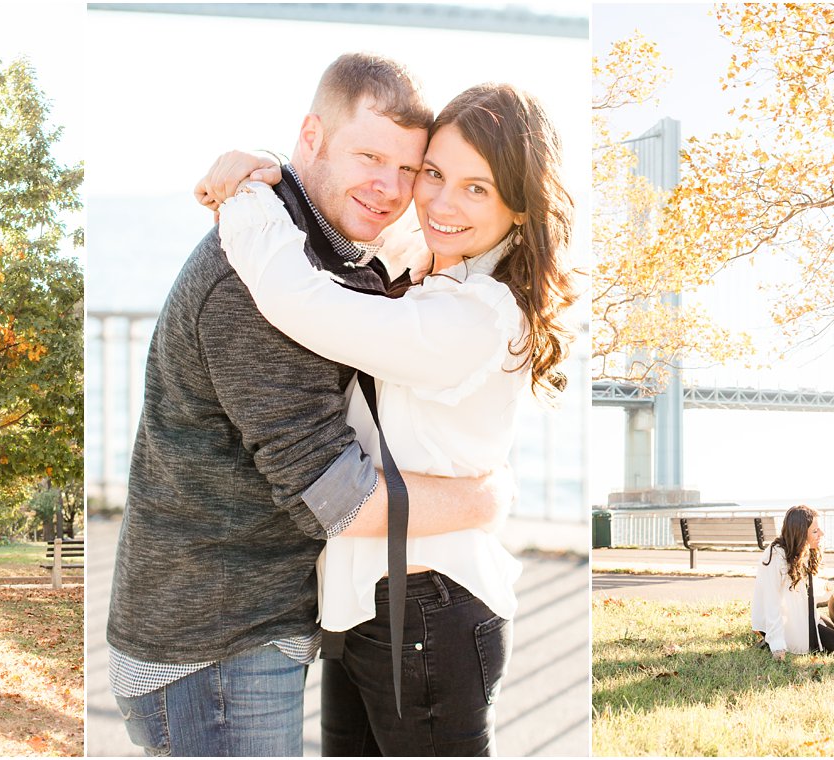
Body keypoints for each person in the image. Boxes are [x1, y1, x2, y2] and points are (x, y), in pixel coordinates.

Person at [106, 53, 513, 758]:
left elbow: (420, 238)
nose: (390, 189)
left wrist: (264, 170)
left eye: (409, 169)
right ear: (312, 136)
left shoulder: (312, 250)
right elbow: (335, 498)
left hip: (249, 623)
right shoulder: (255, 292)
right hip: (213, 645)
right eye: (369, 155)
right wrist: (481, 501)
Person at [202, 81, 578, 755]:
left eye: (477, 188)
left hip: (429, 605)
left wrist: (244, 202)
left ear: (520, 207)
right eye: (434, 173)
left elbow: (305, 302)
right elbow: (335, 197)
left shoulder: (476, 315)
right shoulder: (431, 260)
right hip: (368, 601)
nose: (438, 200)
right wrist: (261, 164)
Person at [751, 505, 834, 659]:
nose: (821, 534)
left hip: (802, 612)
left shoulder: (802, 549)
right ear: (800, 533)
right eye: (815, 531)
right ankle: (770, 640)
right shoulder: (775, 556)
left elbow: (799, 587)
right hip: (782, 619)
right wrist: (777, 646)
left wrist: (828, 585)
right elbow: (772, 603)